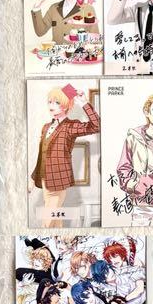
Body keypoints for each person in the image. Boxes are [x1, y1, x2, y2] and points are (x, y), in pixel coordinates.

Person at [29, 86, 100, 225]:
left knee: (47, 220)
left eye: (57, 102)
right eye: (50, 101)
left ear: (66, 106)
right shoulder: (46, 127)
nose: (51, 105)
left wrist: (84, 103)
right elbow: (42, 155)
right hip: (44, 178)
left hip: (59, 179)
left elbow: (97, 126)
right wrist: (33, 178)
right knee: (55, 218)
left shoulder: (70, 126)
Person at [116, 90, 153, 224]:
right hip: (141, 201)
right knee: (139, 234)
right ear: (146, 111)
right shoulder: (133, 138)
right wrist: (133, 185)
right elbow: (124, 166)